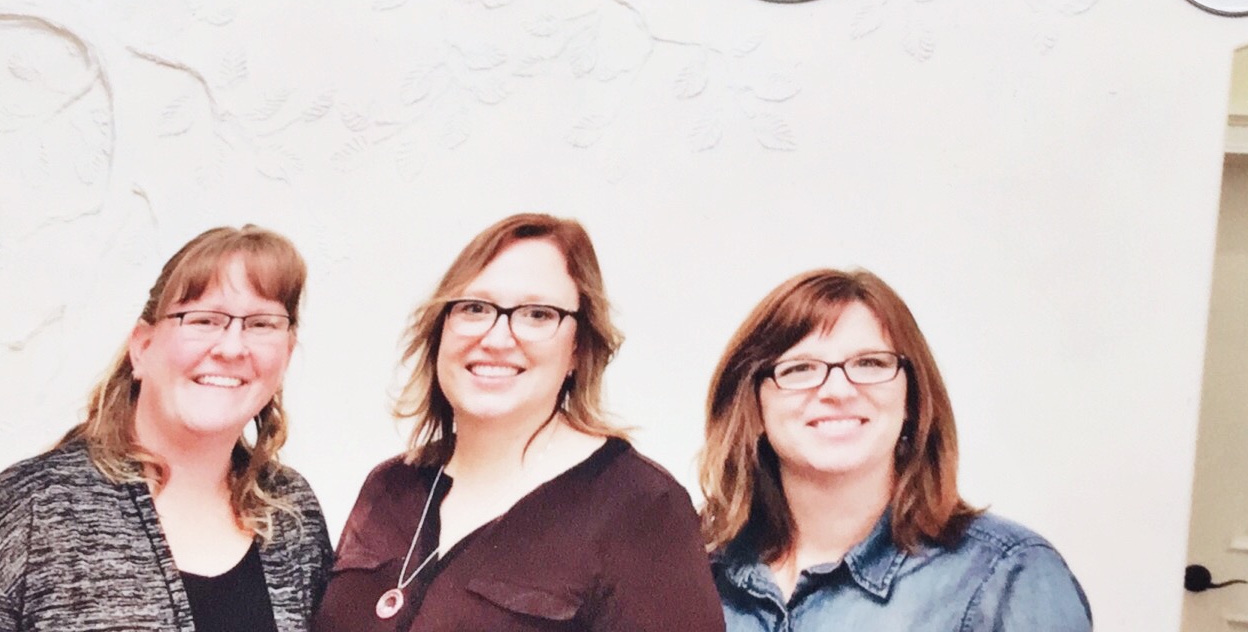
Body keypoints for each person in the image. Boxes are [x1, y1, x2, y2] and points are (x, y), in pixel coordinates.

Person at [0, 224, 331, 631]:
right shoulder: (36, 507)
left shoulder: (292, 515)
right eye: (203, 320)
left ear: (287, 353)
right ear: (143, 347)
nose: (232, 347)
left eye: (261, 325)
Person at [316, 213, 722, 631]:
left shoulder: (642, 509)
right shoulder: (390, 487)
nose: (496, 338)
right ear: (440, 330)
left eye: (537, 314)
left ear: (579, 347)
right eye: (474, 308)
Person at [702, 269, 1092, 630]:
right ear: (751, 407)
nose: (838, 391)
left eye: (870, 363)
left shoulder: (1006, 577)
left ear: (912, 400)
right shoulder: (700, 575)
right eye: (800, 369)